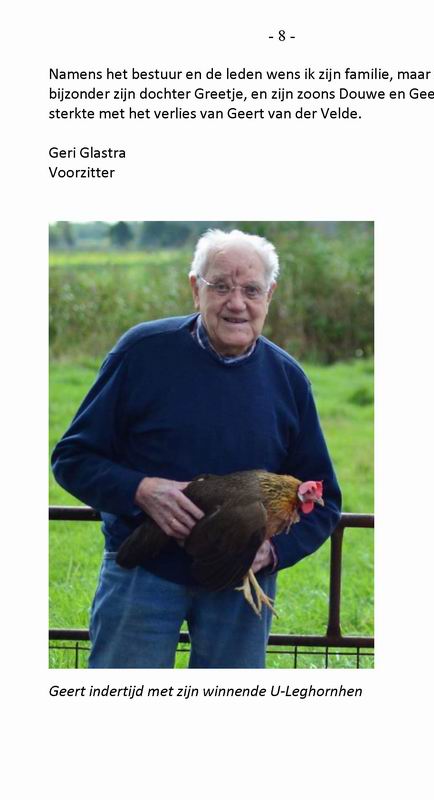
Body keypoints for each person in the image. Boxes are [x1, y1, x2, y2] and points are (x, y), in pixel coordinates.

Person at [51, 228, 342, 668]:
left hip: (240, 585)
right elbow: (72, 459)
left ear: (270, 295)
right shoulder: (141, 353)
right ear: (195, 289)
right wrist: (140, 490)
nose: (236, 303)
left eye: (251, 290)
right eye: (220, 286)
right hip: (143, 572)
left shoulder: (288, 379)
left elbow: (325, 499)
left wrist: (271, 551)